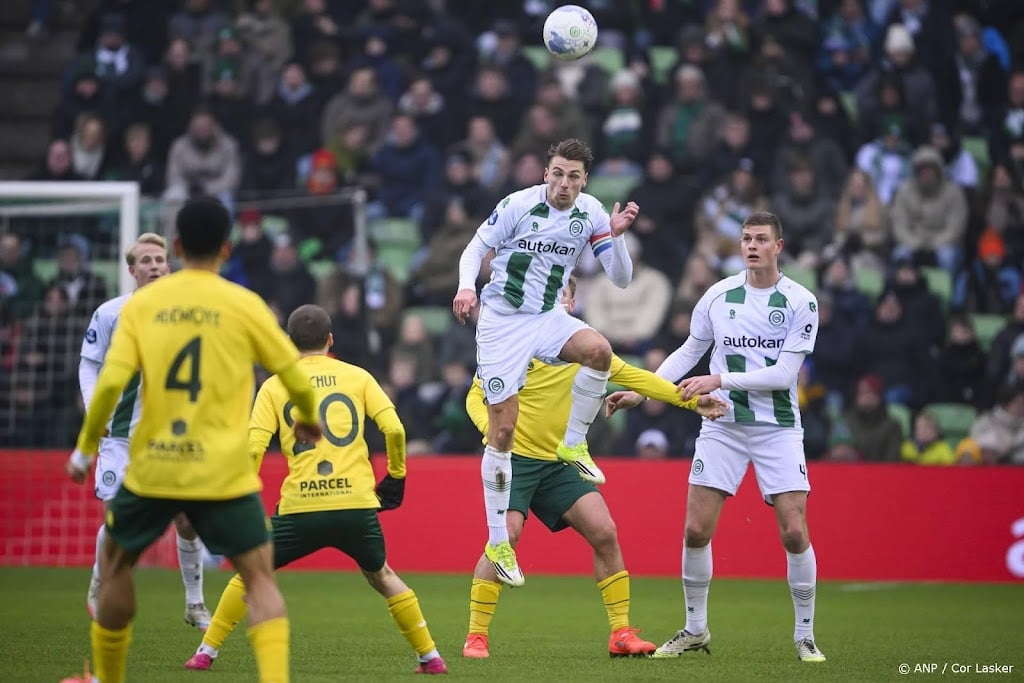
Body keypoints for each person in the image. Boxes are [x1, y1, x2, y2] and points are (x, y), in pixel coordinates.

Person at [64, 196, 322, 683]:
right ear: (227, 248)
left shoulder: (143, 307)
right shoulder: (243, 304)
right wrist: (307, 417)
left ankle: (109, 677)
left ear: (176, 247)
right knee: (260, 579)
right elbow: (290, 368)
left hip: (155, 462)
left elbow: (112, 382)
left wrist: (82, 449)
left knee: (116, 566)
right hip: (222, 468)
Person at [462, 276, 728, 659]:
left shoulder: (584, 348)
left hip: (558, 463)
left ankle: (621, 632)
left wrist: (690, 402)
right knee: (506, 536)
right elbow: (476, 394)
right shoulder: (516, 340)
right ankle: (476, 636)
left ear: (570, 303)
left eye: (562, 295)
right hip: (515, 459)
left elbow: (637, 378)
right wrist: (492, 429)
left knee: (604, 530)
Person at [607, 211, 826, 663]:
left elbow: (785, 373)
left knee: (793, 530)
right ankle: (695, 629)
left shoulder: (801, 301)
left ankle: (805, 635)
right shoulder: (718, 295)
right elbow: (690, 351)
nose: (751, 246)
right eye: (746, 238)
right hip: (723, 427)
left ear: (777, 247)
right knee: (694, 529)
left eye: (761, 239)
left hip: (777, 428)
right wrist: (641, 390)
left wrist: (719, 380)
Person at [185, 304, 447, 675]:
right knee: (383, 576)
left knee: (251, 574)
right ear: (330, 339)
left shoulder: (275, 385)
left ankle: (205, 652)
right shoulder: (358, 377)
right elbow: (395, 430)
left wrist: (236, 499)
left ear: (289, 342)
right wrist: (396, 475)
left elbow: (254, 448)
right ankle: (430, 657)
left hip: (300, 508)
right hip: (355, 504)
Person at [452, 138, 639, 587]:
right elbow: (474, 249)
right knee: (503, 430)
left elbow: (622, 278)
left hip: (548, 316)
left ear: (584, 180)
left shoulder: (591, 212)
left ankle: (574, 444)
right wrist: (465, 287)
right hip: (501, 322)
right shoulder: (517, 205)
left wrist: (616, 236)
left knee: (598, 351)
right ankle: (500, 542)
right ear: (545, 173)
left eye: (573, 176)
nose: (564, 183)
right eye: (557, 173)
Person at [78, 233, 211, 629]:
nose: (155, 266)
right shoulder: (110, 313)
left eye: (160, 259)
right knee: (120, 523)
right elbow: (88, 363)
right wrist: (92, 409)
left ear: (169, 266)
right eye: (146, 261)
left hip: (170, 438)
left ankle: (194, 603)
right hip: (120, 438)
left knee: (187, 519)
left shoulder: (185, 314)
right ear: (132, 270)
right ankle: (100, 581)